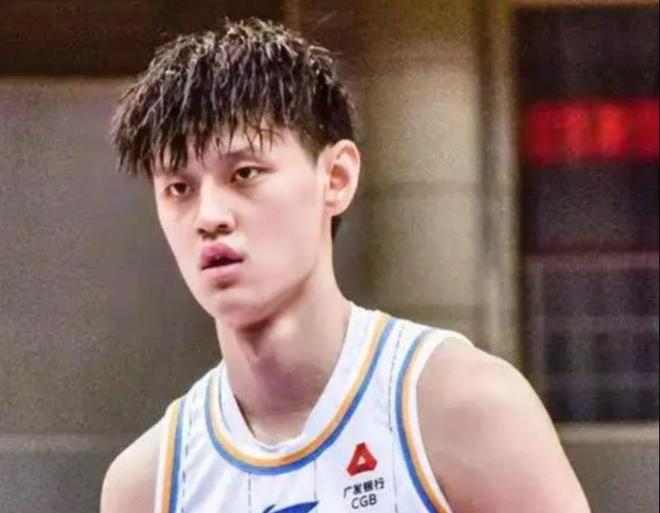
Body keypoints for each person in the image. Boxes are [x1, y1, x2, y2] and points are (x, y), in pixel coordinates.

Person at [100, 18, 590, 513]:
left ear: (336, 177)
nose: (209, 217)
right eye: (179, 188)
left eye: (245, 173)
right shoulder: (147, 485)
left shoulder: (466, 408)